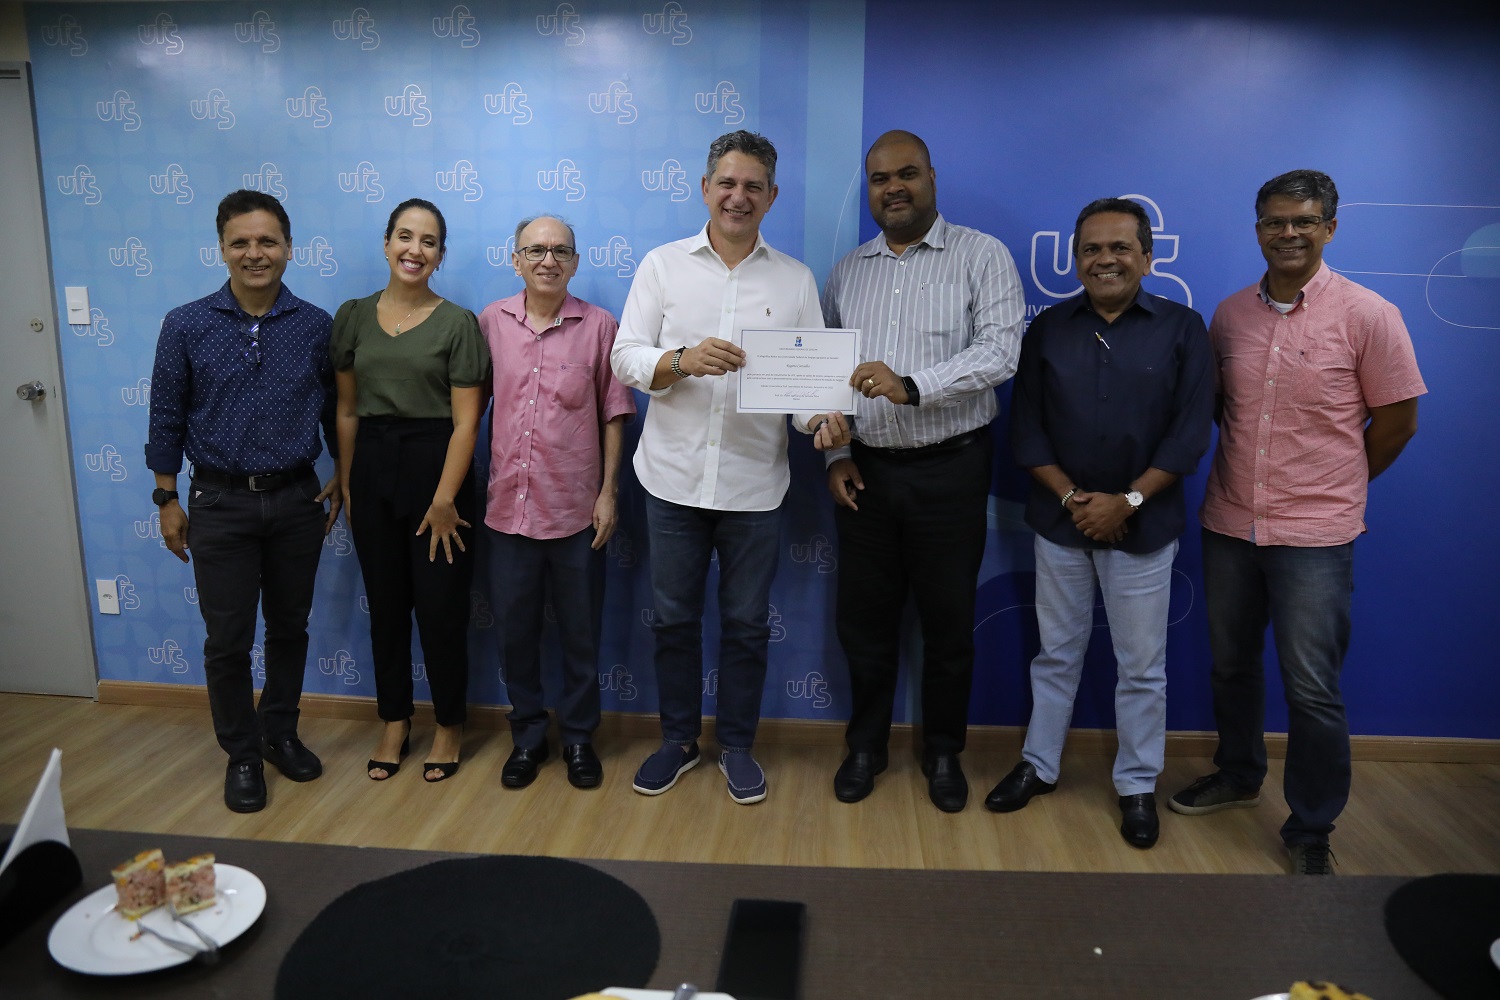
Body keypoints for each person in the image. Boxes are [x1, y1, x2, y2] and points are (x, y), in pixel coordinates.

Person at [1168, 170, 1425, 874]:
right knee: (1231, 667)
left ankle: (1312, 826)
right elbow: (1220, 413)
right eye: (1275, 222)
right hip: (1229, 524)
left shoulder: (1370, 314)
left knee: (1312, 686)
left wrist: (1336, 483)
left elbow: (1398, 421)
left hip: (1316, 534)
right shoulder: (1227, 317)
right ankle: (1240, 775)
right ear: (1257, 230)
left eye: (1304, 221)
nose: (1288, 233)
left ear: (1330, 228)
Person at [611, 130, 848, 805]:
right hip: (672, 480)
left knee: (746, 625)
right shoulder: (662, 266)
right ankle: (679, 740)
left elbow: (809, 392)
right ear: (706, 188)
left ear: (771, 197)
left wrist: (821, 422)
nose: (738, 196)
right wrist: (680, 359)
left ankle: (737, 745)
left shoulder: (794, 278)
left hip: (754, 485)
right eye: (727, 183)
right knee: (673, 618)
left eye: (752, 187)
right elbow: (625, 355)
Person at [988, 198, 1214, 848]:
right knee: (1056, 654)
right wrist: (1076, 501)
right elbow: (1027, 430)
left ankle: (1137, 784)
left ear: (1146, 256)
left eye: (1120, 248)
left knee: (1141, 666)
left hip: (1145, 526)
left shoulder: (1182, 328)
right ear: (1077, 258)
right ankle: (1039, 765)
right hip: (1062, 522)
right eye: (1092, 249)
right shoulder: (1049, 329)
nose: (1105, 259)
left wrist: (1128, 502)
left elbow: (1190, 435)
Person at [821, 130, 1024, 813]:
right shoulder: (849, 271)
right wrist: (837, 453)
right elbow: (826, 382)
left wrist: (912, 384)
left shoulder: (981, 256)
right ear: (870, 189)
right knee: (865, 624)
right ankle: (866, 747)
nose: (893, 188)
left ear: (932, 178)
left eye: (906, 174)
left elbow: (1000, 354)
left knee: (947, 625)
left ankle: (943, 752)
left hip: (952, 472)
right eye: (880, 179)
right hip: (868, 475)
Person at [146, 189, 340, 813]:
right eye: (242, 242)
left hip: (296, 500)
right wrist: (166, 498)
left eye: (267, 241)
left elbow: (339, 413)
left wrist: (345, 477)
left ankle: (279, 731)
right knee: (227, 639)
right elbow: (165, 417)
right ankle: (242, 754)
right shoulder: (186, 322)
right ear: (223, 249)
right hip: (218, 502)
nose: (255, 253)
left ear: (288, 248)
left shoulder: (316, 325)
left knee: (289, 628)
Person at [332, 198, 489, 784]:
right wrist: (348, 482)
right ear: (386, 243)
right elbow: (347, 409)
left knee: (442, 608)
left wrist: (445, 498)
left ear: (441, 255)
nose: (413, 250)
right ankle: (394, 720)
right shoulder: (351, 316)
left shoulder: (458, 324)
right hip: (372, 466)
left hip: (436, 469)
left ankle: (449, 724)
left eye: (427, 241)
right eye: (404, 236)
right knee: (387, 608)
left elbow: (467, 422)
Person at [479, 215, 636, 790]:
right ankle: (525, 738)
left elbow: (614, 415)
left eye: (561, 251)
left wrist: (609, 493)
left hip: (576, 512)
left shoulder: (601, 327)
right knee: (515, 634)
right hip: (506, 512)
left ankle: (577, 738)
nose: (549, 260)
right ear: (515, 258)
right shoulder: (491, 322)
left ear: (575, 262)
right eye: (536, 250)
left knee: (580, 633)